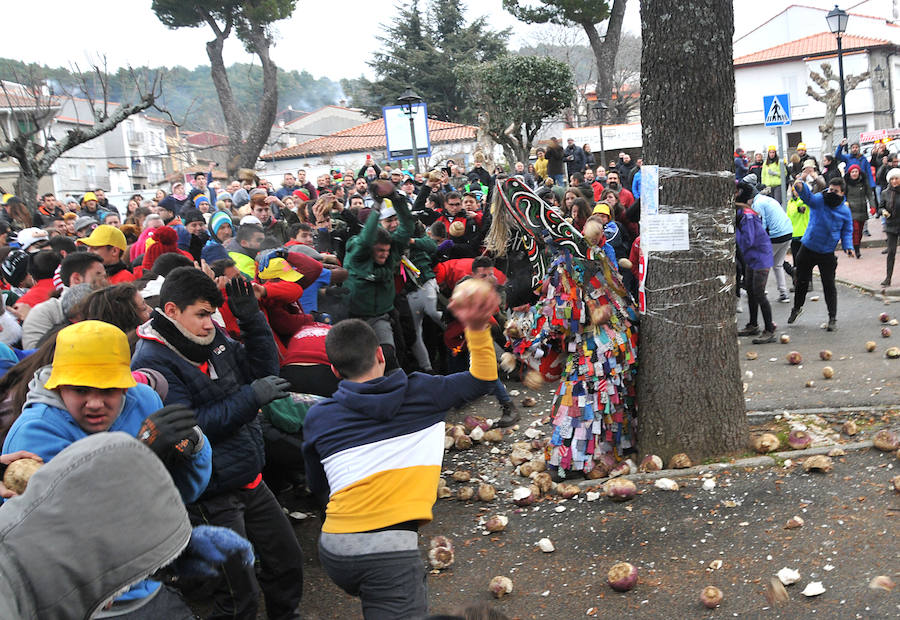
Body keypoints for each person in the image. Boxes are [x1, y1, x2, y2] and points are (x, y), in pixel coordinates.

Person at [302, 281, 500, 620]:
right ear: (381, 354)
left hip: (334, 547)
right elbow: (483, 379)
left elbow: (317, 485)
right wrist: (477, 328)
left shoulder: (319, 416)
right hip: (388, 553)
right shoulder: (423, 392)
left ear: (335, 371)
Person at [2, 320, 212, 618]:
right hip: (89, 602)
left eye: (109, 389)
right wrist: (141, 456)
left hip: (147, 578)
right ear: (59, 385)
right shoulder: (34, 434)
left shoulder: (144, 401)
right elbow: (59, 537)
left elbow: (182, 494)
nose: (95, 403)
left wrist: (192, 449)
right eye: (80, 389)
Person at [130, 267, 303, 620]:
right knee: (238, 592)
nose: (209, 323)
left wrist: (253, 320)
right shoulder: (151, 361)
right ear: (172, 310)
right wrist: (251, 398)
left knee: (286, 561)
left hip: (248, 475)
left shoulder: (210, 338)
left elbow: (263, 372)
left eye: (212, 314)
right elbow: (189, 429)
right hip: (210, 493)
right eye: (201, 314)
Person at [344, 184, 414, 372]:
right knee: (363, 362)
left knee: (391, 355)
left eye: (387, 250)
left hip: (383, 314)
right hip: (356, 316)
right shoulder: (357, 255)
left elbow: (407, 227)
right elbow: (365, 240)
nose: (385, 254)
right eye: (380, 251)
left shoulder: (391, 251)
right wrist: (376, 207)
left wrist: (396, 199)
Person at [788, 177, 853, 331]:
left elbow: (847, 230)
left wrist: (848, 246)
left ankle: (832, 318)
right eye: (830, 189)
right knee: (801, 282)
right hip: (808, 248)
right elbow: (807, 197)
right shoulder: (819, 200)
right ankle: (797, 308)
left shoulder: (844, 211)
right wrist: (800, 184)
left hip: (827, 252)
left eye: (835, 191)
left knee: (829, 285)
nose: (831, 193)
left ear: (842, 193)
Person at [735, 199, 777, 343]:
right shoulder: (742, 216)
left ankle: (769, 330)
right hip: (751, 257)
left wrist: (733, 234)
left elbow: (748, 240)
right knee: (751, 291)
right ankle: (753, 325)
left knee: (759, 292)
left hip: (761, 257)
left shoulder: (747, 217)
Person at [834, 138, 877, 203]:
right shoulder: (847, 158)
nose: (855, 149)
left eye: (856, 147)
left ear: (859, 148)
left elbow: (869, 172)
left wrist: (872, 184)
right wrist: (840, 146)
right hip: (850, 182)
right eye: (853, 147)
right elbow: (837, 156)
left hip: (861, 182)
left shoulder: (863, 159)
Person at [843, 164, 872, 258]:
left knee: (860, 231)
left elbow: (869, 194)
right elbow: (842, 195)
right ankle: (857, 250)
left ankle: (856, 245)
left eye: (856, 172)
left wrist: (873, 206)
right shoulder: (846, 183)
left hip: (862, 208)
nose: (854, 174)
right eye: (852, 172)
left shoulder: (864, 181)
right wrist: (844, 203)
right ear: (849, 173)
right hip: (851, 209)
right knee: (855, 230)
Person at [879, 168, 900, 286]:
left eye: (897, 178)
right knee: (891, 252)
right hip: (891, 225)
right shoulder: (885, 193)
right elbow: (880, 207)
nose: (894, 181)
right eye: (892, 179)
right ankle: (888, 278)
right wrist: (883, 211)